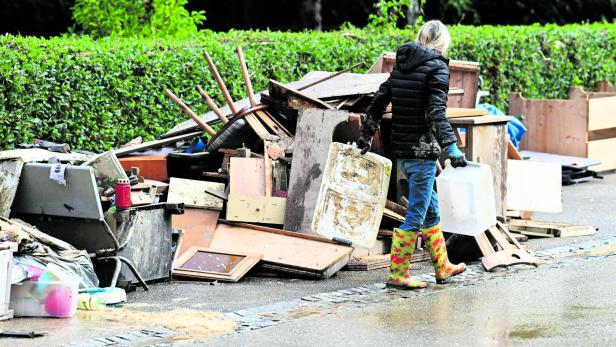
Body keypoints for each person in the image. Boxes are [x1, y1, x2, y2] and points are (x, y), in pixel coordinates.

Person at [357, 20, 467, 289]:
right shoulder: (438, 67)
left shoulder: (402, 66)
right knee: (416, 214)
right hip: (422, 151)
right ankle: (397, 274)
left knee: (432, 208)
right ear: (443, 43)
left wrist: (365, 137)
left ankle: (442, 267)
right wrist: (451, 146)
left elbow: (377, 103)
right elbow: (436, 112)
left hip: (404, 150)